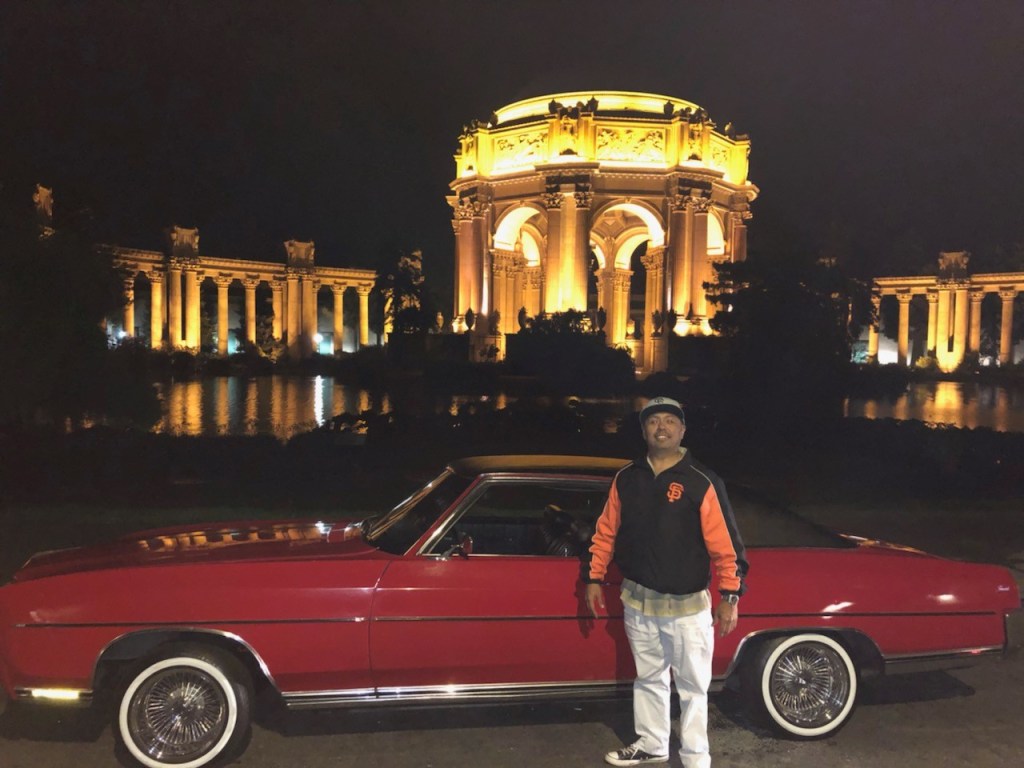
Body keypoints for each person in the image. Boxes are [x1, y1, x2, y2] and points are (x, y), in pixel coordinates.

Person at [586, 396, 748, 768]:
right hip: (638, 602)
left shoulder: (701, 481)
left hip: (687, 609)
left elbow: (725, 545)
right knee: (648, 679)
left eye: (670, 421)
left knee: (693, 688)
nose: (662, 427)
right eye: (653, 421)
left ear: (682, 430)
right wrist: (594, 576)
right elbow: (606, 531)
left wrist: (730, 596)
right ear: (644, 430)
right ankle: (653, 743)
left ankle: (695, 758)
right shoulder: (627, 477)